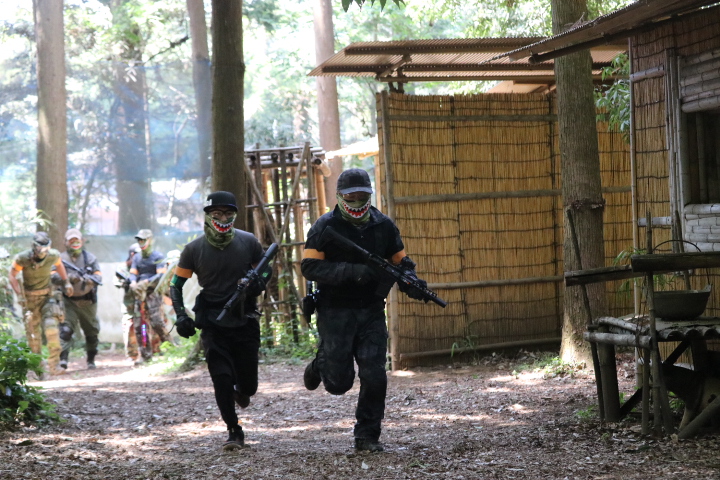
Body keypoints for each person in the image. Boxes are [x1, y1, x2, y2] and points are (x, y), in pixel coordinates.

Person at [300, 168, 427, 453]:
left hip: (371, 311)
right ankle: (321, 363)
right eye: (351, 196)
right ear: (340, 196)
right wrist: (352, 271)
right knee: (338, 384)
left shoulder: (384, 225)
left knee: (374, 374)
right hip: (335, 312)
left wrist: (413, 283)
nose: (357, 201)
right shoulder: (324, 226)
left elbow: (401, 263)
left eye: (362, 195)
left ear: (370, 194)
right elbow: (309, 267)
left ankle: (367, 435)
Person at [169, 191, 269, 451]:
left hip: (245, 319)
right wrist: (181, 315)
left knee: (249, 386)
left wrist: (256, 284)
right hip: (213, 322)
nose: (222, 218)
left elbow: (265, 270)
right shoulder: (194, 249)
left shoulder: (248, 242)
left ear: (234, 215)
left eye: (228, 213)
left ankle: (241, 391)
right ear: (207, 216)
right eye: (217, 214)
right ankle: (233, 430)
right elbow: (175, 284)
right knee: (221, 378)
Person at [8, 232, 74, 377]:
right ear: (34, 247)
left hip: (47, 298)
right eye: (40, 248)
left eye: (46, 248)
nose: (43, 252)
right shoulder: (23, 258)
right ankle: (39, 368)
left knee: (52, 328)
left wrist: (66, 282)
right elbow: (12, 275)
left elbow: (59, 265)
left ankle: (54, 365)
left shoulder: (53, 255)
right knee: (33, 335)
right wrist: (19, 294)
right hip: (30, 301)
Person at [59, 228, 102, 370]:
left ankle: (91, 360)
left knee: (92, 332)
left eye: (77, 240)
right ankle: (63, 360)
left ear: (82, 241)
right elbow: (53, 276)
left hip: (87, 301)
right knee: (65, 331)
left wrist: (89, 280)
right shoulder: (60, 259)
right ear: (66, 242)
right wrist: (68, 278)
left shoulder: (90, 259)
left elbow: (98, 277)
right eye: (71, 241)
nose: (74, 243)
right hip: (68, 301)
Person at [128, 229, 172, 355]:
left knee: (156, 321)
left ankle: (170, 348)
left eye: (143, 240)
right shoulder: (137, 257)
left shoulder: (158, 257)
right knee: (139, 325)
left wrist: (147, 282)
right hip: (139, 294)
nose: (141, 243)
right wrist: (133, 282)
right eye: (139, 240)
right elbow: (133, 273)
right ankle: (145, 354)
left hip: (153, 293)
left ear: (150, 240)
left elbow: (161, 276)